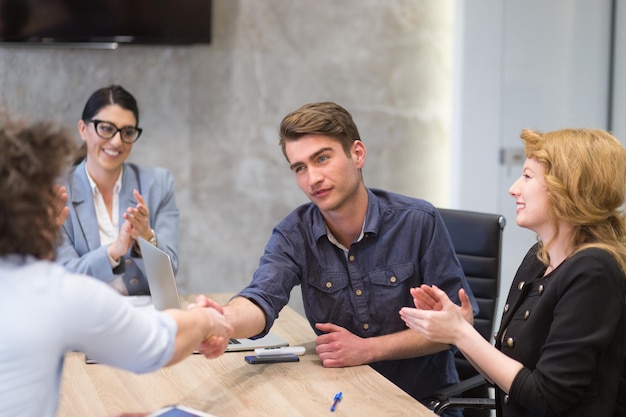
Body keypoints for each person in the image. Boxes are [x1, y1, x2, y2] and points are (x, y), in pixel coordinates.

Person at [206, 101, 477, 413]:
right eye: (300, 168)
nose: (313, 179)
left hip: (422, 403)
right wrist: (220, 321)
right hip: (344, 399)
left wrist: (366, 349)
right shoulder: (294, 233)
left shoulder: (418, 221)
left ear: (357, 154)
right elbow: (261, 298)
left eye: (322, 158)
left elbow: (458, 328)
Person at [0, 111, 233, 417]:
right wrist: (207, 320)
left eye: (126, 132)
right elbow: (160, 342)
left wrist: (42, 237)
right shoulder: (58, 293)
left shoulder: (156, 183)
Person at [400, 128, 626, 417]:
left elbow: (546, 397)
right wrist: (459, 328)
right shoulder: (538, 258)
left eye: (528, 176)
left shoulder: (594, 271)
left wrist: (459, 334)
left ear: (568, 187)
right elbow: (505, 373)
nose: (514, 188)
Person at [56, 85, 179, 296]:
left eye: (127, 132)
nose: (116, 141)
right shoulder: (56, 190)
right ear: (83, 129)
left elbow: (170, 270)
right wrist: (114, 251)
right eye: (105, 128)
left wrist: (146, 237)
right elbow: (62, 275)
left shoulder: (158, 184)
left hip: (142, 315)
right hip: (81, 314)